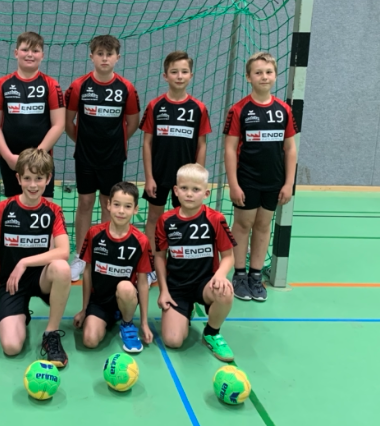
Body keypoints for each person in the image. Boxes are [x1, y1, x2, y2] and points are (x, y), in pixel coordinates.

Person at [0, 148, 71, 367]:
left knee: (62, 268)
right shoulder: (3, 209)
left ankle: (51, 334)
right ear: (18, 178)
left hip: (41, 278)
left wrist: (24, 262)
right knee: (11, 347)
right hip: (12, 283)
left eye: (39, 179)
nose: (33, 185)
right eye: (28, 178)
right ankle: (21, 311)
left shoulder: (53, 211)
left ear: (48, 179)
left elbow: (64, 251)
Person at [224, 51, 298, 302]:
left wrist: (288, 183)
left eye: (268, 72)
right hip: (247, 179)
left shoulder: (283, 110)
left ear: (275, 75)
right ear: (248, 77)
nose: (264, 76)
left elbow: (290, 148)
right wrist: (233, 184)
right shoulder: (239, 110)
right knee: (243, 224)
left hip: (273, 180)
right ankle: (239, 275)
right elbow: (230, 149)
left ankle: (255, 276)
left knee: (263, 225)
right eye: (258, 72)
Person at [65, 35, 141, 282]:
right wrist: (83, 142)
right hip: (85, 156)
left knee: (109, 203)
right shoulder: (79, 86)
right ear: (92, 56)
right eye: (100, 54)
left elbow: (132, 123)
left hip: (113, 157)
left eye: (109, 54)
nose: (105, 58)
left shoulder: (126, 88)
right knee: (85, 202)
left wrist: (115, 142)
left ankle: (105, 253)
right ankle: (80, 256)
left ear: (118, 57)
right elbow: (68, 121)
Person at [140, 51, 211, 282]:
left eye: (184, 72)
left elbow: (201, 144)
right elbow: (147, 143)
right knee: (154, 217)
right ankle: (151, 264)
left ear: (191, 75)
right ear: (165, 76)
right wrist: (149, 177)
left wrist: (197, 177)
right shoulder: (155, 105)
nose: (179, 76)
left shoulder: (198, 108)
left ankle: (179, 263)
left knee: (185, 218)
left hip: (186, 178)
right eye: (174, 72)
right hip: (159, 173)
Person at [155, 164, 236, 362]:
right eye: (184, 188)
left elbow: (228, 256)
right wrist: (163, 290)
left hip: (205, 283)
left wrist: (220, 275)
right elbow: (159, 257)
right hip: (177, 286)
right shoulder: (166, 220)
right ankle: (185, 311)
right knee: (173, 341)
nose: (189, 194)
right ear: (176, 191)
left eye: (196, 189)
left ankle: (211, 333)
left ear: (206, 193)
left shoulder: (216, 219)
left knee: (225, 290)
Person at [73, 182, 153, 353]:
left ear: (135, 209)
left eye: (127, 206)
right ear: (108, 205)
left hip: (125, 297)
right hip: (99, 301)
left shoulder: (141, 241)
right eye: (116, 204)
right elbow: (87, 272)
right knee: (89, 340)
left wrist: (144, 323)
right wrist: (84, 309)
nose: (121, 211)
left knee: (125, 287)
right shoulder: (94, 234)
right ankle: (108, 317)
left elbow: (143, 283)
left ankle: (127, 323)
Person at [0, 32, 65, 198]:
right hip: (11, 160)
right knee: (14, 206)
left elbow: (59, 124)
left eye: (35, 51)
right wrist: (8, 156)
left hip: (42, 158)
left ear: (42, 55)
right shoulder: (2, 84)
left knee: (44, 205)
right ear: (16, 53)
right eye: (25, 50)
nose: (30, 54)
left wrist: (37, 155)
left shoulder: (51, 85)